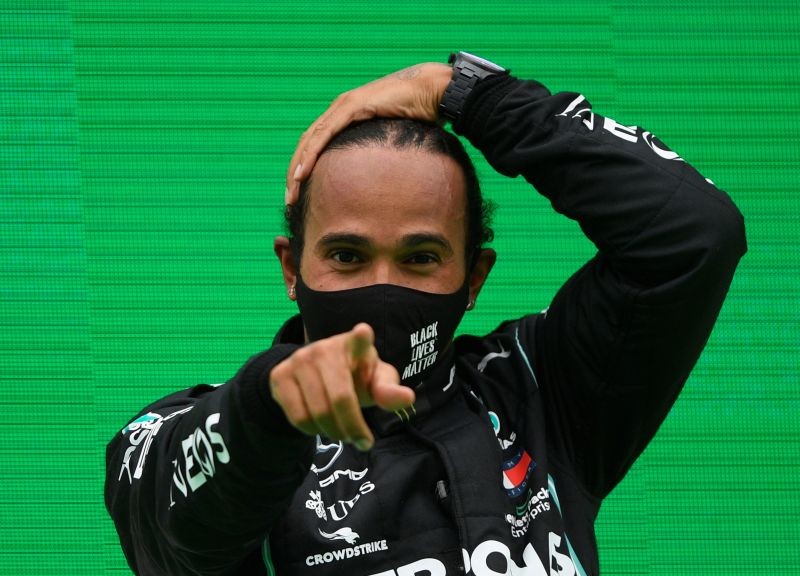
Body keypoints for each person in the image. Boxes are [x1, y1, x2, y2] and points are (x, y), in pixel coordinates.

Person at [105, 53, 746, 575]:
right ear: (291, 269)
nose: (383, 288)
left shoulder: (540, 387)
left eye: (420, 258)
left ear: (474, 279)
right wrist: (269, 410)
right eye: (348, 255)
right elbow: (171, 534)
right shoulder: (192, 431)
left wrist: (467, 94)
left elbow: (694, 233)